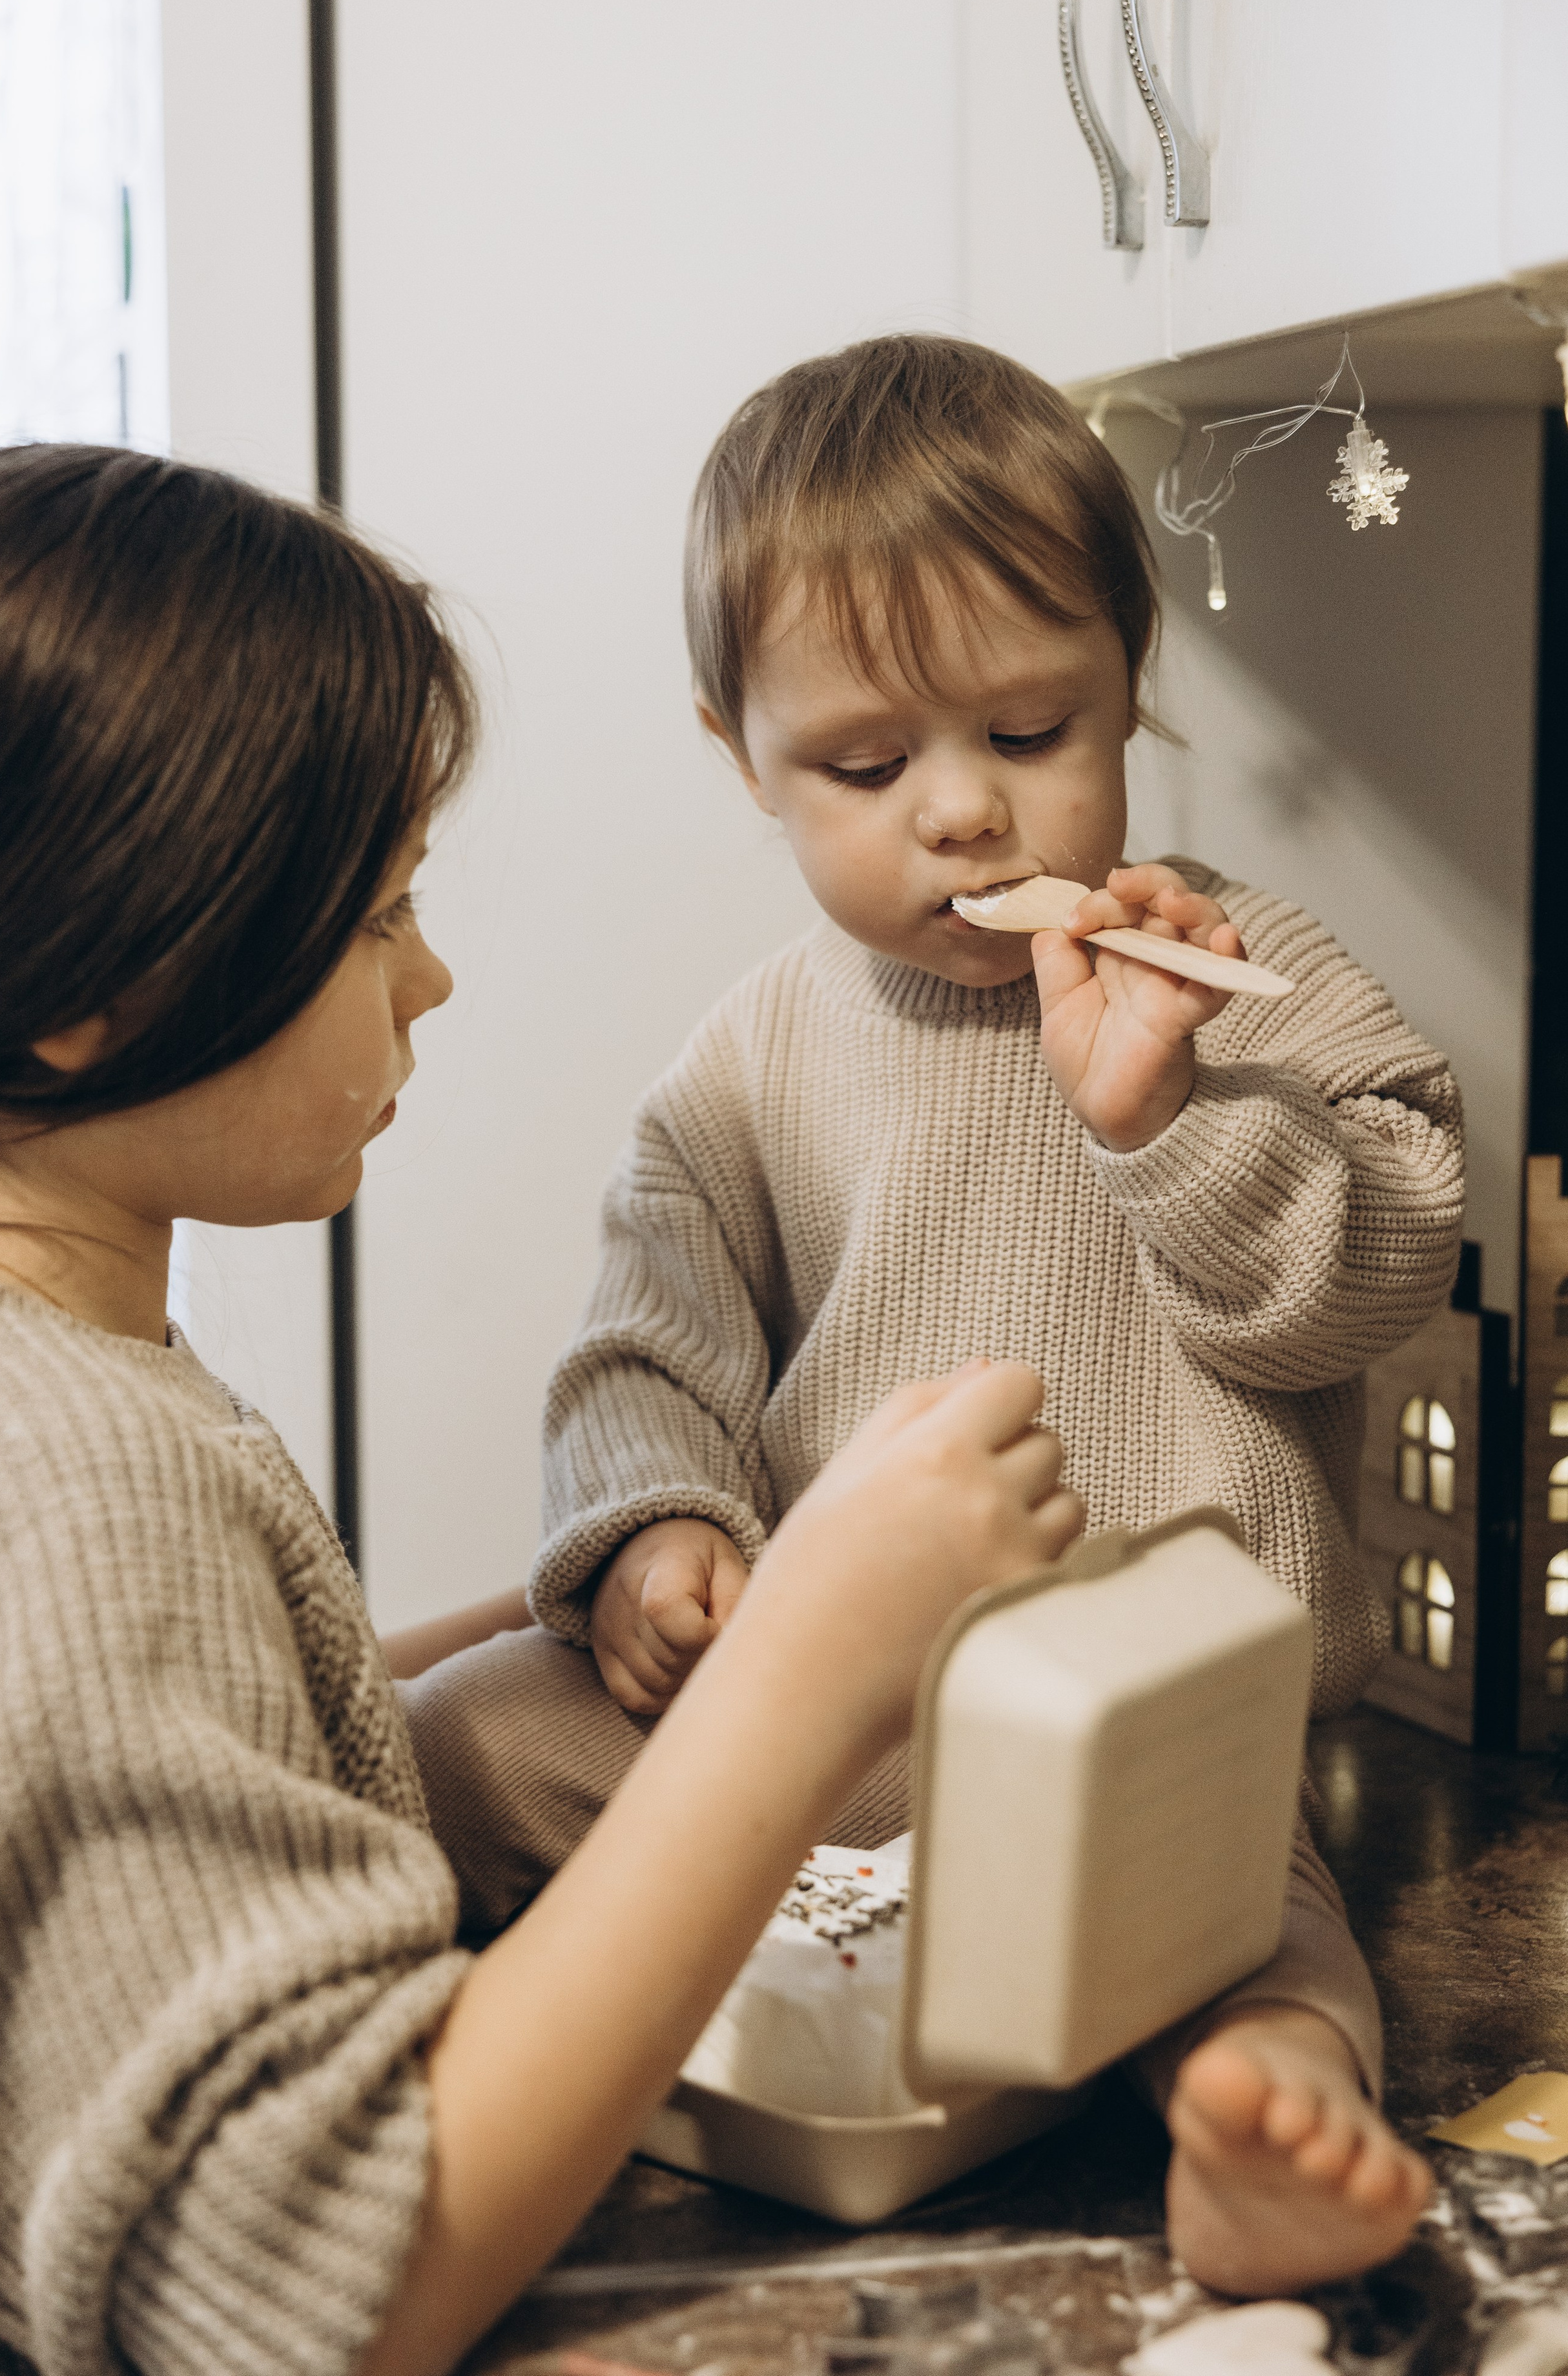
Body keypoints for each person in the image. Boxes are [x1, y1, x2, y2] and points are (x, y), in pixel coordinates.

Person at [0, 442, 1088, 2376]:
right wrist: (811, 1664)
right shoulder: (67, 1471)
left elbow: (127, 1791)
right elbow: (321, 2297)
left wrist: (467, 1649)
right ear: (95, 991)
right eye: (379, 915)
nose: (434, 975)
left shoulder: (22, 1382)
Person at [401, 337, 1455, 2296]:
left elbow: (1373, 1278)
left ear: (1132, 683)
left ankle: (1264, 2129)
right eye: (865, 768)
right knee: (449, 1743)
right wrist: (657, 1539)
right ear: (742, 755)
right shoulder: (757, 1053)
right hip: (809, 1714)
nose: (963, 813)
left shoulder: (1244, 984)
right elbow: (646, 1342)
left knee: (1255, 1933)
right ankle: (418, 2079)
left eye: (1035, 730)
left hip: (1148, 1729)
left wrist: (1171, 1121)